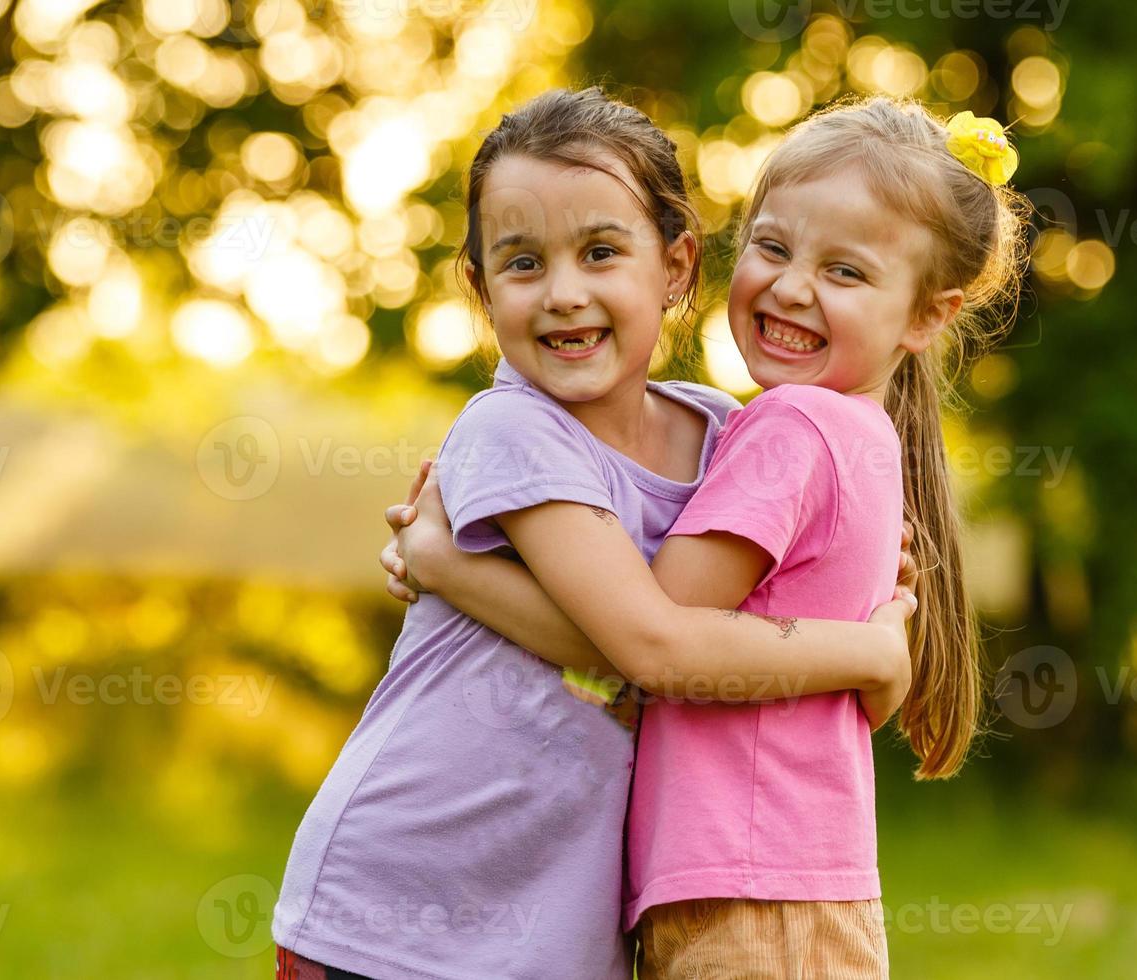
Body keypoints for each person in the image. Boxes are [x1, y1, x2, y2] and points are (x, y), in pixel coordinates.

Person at [273, 87, 915, 980]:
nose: (564, 294)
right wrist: (870, 653)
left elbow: (729, 624)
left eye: (602, 252)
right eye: (523, 263)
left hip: (559, 935)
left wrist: (444, 564)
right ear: (480, 286)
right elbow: (641, 647)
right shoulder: (515, 430)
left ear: (679, 265)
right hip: (399, 910)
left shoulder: (726, 438)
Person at [387, 96, 1030, 978]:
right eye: (772, 248)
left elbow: (650, 633)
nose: (793, 286)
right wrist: (873, 657)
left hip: (748, 887)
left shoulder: (791, 428)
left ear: (926, 316)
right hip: (792, 885)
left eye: (845, 272)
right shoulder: (858, 440)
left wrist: (448, 565)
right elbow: (842, 686)